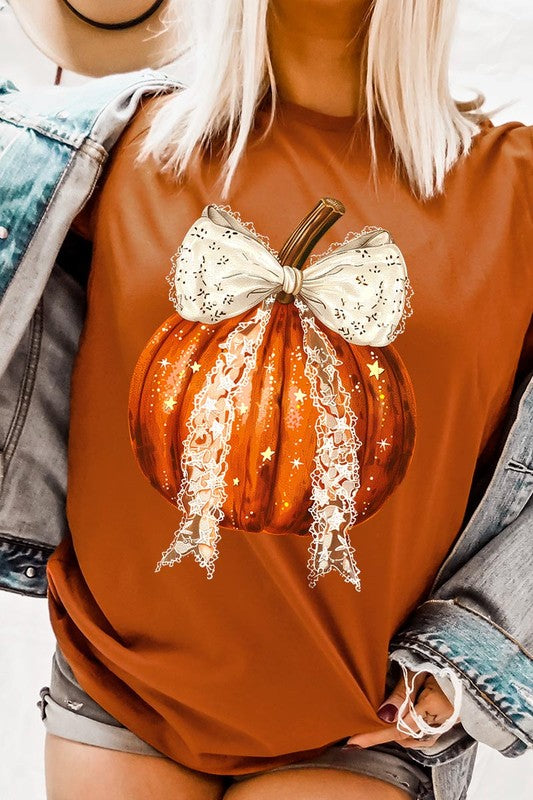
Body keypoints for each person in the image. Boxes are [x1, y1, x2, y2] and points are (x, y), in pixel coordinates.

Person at [1, 1, 531, 799]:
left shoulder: (515, 187)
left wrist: (480, 657)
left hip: (354, 720)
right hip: (119, 693)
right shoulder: (99, 147)